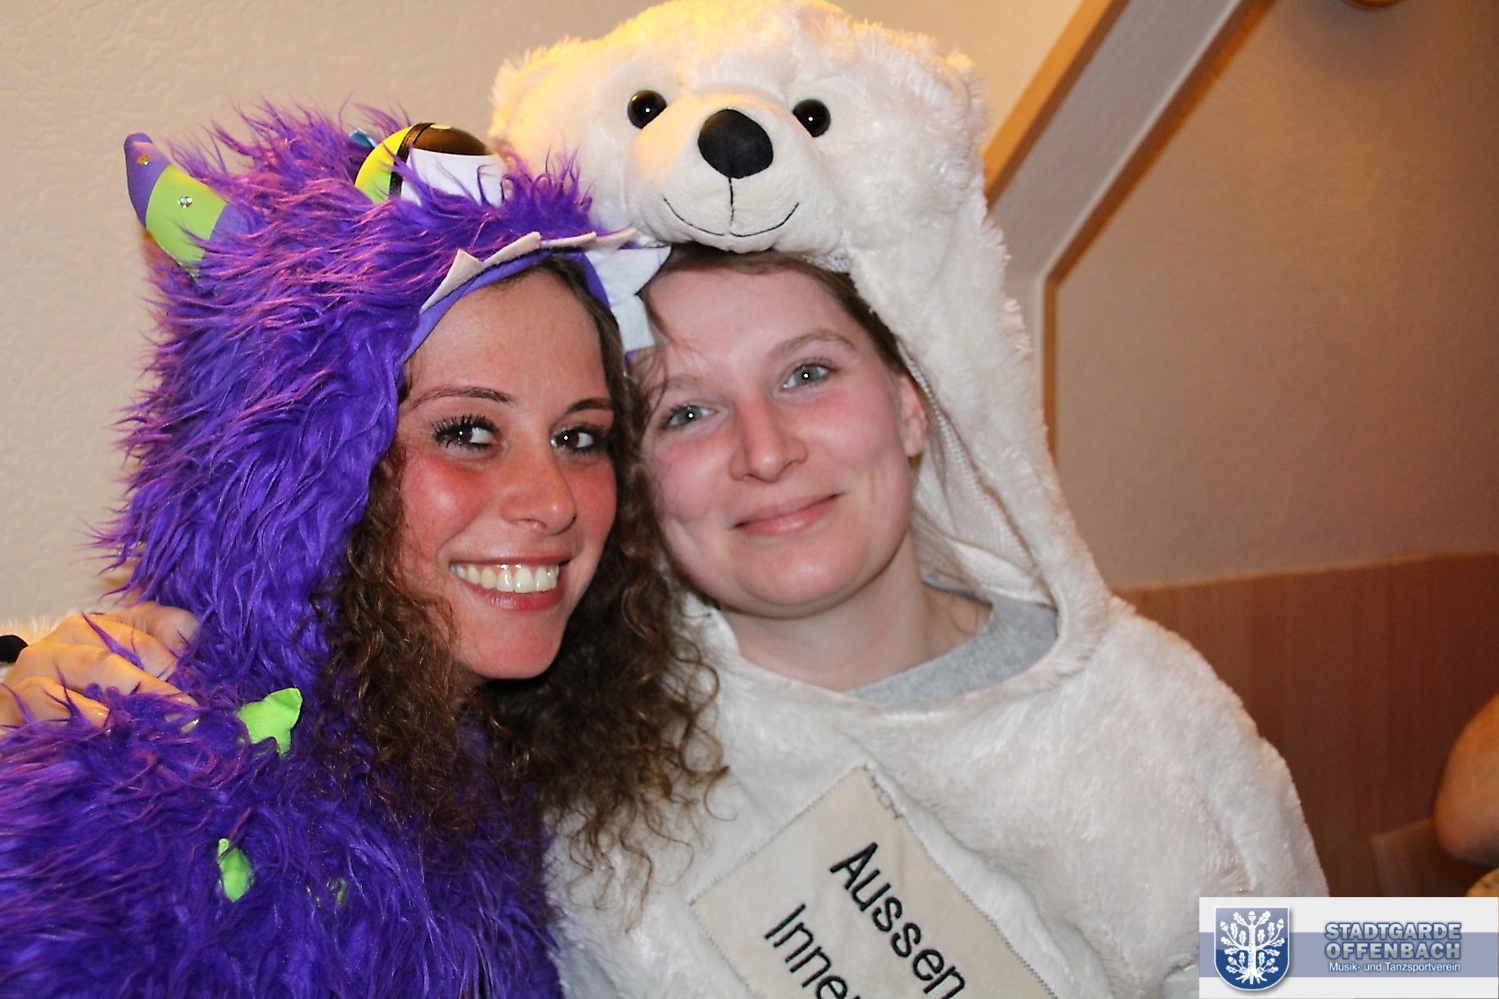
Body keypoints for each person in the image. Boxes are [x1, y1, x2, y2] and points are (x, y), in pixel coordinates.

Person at [0, 108, 716, 997]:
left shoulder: (490, 765)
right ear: (292, 470)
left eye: (579, 437)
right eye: (467, 430)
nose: (554, 500)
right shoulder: (148, 802)